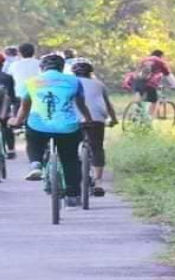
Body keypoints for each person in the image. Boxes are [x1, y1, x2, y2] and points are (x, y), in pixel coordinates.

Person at [10, 53, 93, 209]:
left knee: (33, 139)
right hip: (67, 127)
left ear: (41, 68)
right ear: (62, 68)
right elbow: (81, 104)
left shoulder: (31, 82)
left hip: (39, 125)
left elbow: (25, 106)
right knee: (70, 160)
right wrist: (88, 119)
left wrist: (17, 121)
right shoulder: (74, 81)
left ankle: (35, 164)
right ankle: (72, 196)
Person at [71, 59, 118, 197]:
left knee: (70, 149)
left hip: (74, 120)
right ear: (91, 73)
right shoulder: (99, 84)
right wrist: (113, 119)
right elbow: (108, 105)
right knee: (97, 147)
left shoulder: (70, 83)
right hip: (96, 119)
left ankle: (73, 179)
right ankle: (98, 182)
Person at [123, 50, 175, 117]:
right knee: (154, 101)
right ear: (161, 56)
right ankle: (148, 120)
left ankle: (136, 114)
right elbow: (168, 75)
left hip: (137, 81)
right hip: (150, 84)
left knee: (140, 98)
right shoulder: (160, 61)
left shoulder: (144, 60)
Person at [8, 42, 41, 108]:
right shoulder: (40, 63)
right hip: (37, 96)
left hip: (19, 96)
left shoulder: (14, 65)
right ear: (34, 52)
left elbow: (10, 81)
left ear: (19, 53)